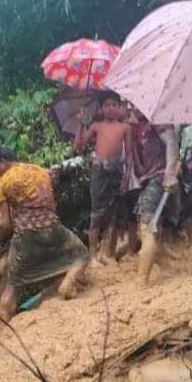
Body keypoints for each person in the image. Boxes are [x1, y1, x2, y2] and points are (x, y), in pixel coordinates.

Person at [0, 148, 89, 328]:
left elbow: (6, 224)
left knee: (12, 287)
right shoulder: (40, 171)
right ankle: (68, 283)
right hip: (53, 228)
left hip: (26, 236)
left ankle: (4, 331)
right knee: (82, 255)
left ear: (2, 162)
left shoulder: (4, 182)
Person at [72, 90, 134, 261]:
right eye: (107, 105)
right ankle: (92, 255)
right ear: (101, 108)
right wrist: (80, 123)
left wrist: (127, 178)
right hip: (100, 173)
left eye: (115, 104)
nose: (111, 108)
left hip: (117, 173)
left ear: (120, 107)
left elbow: (129, 155)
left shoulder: (125, 128)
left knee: (113, 215)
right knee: (96, 215)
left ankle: (107, 254)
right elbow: (79, 146)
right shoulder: (96, 126)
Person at [130, 113, 179, 286]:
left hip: (158, 177)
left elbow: (171, 142)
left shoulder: (158, 119)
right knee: (145, 228)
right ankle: (166, 268)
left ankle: (142, 278)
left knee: (147, 227)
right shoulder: (139, 122)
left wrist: (169, 172)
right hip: (149, 178)